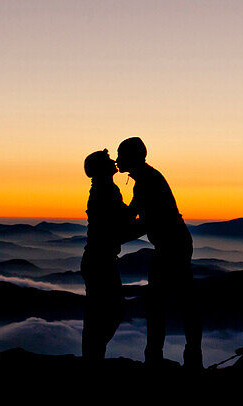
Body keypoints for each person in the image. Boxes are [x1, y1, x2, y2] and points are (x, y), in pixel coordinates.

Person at [115, 136, 202, 370]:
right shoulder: (145, 178)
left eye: (120, 155)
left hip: (172, 246)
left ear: (132, 157)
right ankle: (185, 356)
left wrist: (113, 239)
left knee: (161, 303)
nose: (116, 160)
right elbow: (135, 213)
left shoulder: (146, 181)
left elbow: (144, 222)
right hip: (175, 243)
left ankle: (157, 360)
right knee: (177, 302)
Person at [79, 148, 130, 361]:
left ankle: (93, 358)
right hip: (100, 261)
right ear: (101, 168)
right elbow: (120, 222)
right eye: (109, 160)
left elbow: (123, 216)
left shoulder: (106, 188)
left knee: (100, 314)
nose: (114, 162)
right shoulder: (104, 190)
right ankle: (93, 359)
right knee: (108, 313)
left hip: (98, 259)